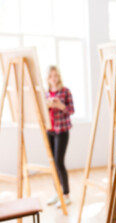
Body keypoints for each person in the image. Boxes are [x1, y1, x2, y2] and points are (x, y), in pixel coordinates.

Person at [45, 66, 74, 208]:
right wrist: (48, 105)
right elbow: (42, 112)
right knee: (52, 163)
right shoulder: (45, 94)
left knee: (59, 162)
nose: (53, 78)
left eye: (56, 75)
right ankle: (57, 192)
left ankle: (66, 194)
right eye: (51, 76)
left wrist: (60, 105)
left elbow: (71, 110)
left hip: (62, 130)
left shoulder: (65, 91)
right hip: (49, 130)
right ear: (48, 78)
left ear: (59, 77)